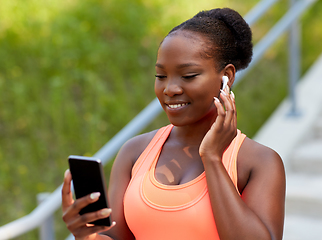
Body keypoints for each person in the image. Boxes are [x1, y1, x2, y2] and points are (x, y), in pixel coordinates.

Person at [62, 7, 286, 240]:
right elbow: (116, 237)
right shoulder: (134, 152)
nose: (170, 89)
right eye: (161, 76)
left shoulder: (258, 162)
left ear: (226, 77)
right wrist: (86, 236)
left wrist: (212, 158)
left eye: (188, 76)